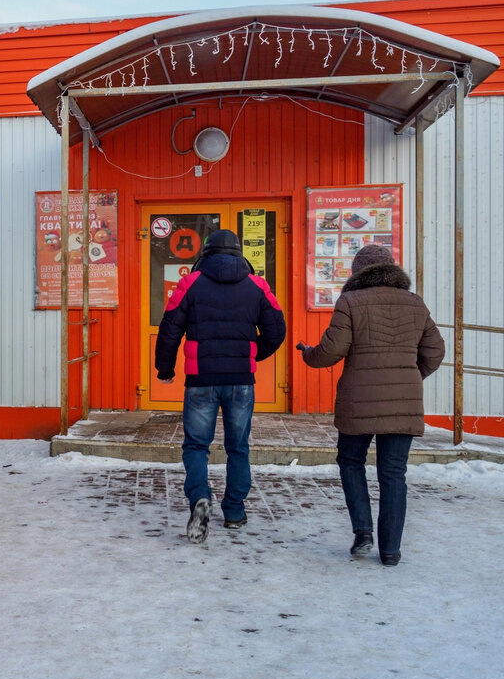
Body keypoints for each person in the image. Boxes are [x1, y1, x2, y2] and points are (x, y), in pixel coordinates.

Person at [298, 243, 444, 567]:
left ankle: (363, 531)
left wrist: (308, 353)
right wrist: (408, 378)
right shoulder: (415, 304)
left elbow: (331, 350)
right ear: (391, 269)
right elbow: (435, 352)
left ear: (356, 273)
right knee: (394, 473)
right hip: (403, 403)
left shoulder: (350, 301)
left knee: (351, 461)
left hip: (358, 401)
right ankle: (390, 552)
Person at [155, 229, 286, 544]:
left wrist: (165, 369)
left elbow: (169, 327)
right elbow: (277, 330)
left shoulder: (190, 283)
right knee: (238, 447)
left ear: (206, 253)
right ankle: (235, 511)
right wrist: (253, 352)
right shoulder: (258, 285)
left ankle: (200, 497)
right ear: (239, 253)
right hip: (241, 379)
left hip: (201, 379)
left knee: (197, 446)